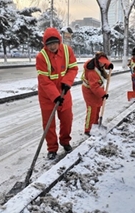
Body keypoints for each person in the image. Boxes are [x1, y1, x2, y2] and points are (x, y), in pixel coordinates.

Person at [36, 27, 78, 160]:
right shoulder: (41, 57)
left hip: (64, 91)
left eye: (54, 43)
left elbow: (73, 68)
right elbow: (44, 80)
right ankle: (52, 148)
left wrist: (67, 82)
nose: (52, 46)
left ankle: (65, 141)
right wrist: (55, 96)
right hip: (47, 96)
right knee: (49, 124)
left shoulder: (67, 51)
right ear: (45, 45)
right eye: (49, 44)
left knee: (67, 120)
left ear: (59, 41)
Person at [81, 52, 113, 136]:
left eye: (104, 62)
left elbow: (103, 65)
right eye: (101, 62)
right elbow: (94, 86)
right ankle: (88, 129)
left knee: (98, 107)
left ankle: (95, 125)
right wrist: (103, 94)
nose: (103, 64)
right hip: (90, 91)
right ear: (97, 61)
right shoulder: (92, 72)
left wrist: (109, 65)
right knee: (92, 109)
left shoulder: (98, 64)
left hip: (97, 90)